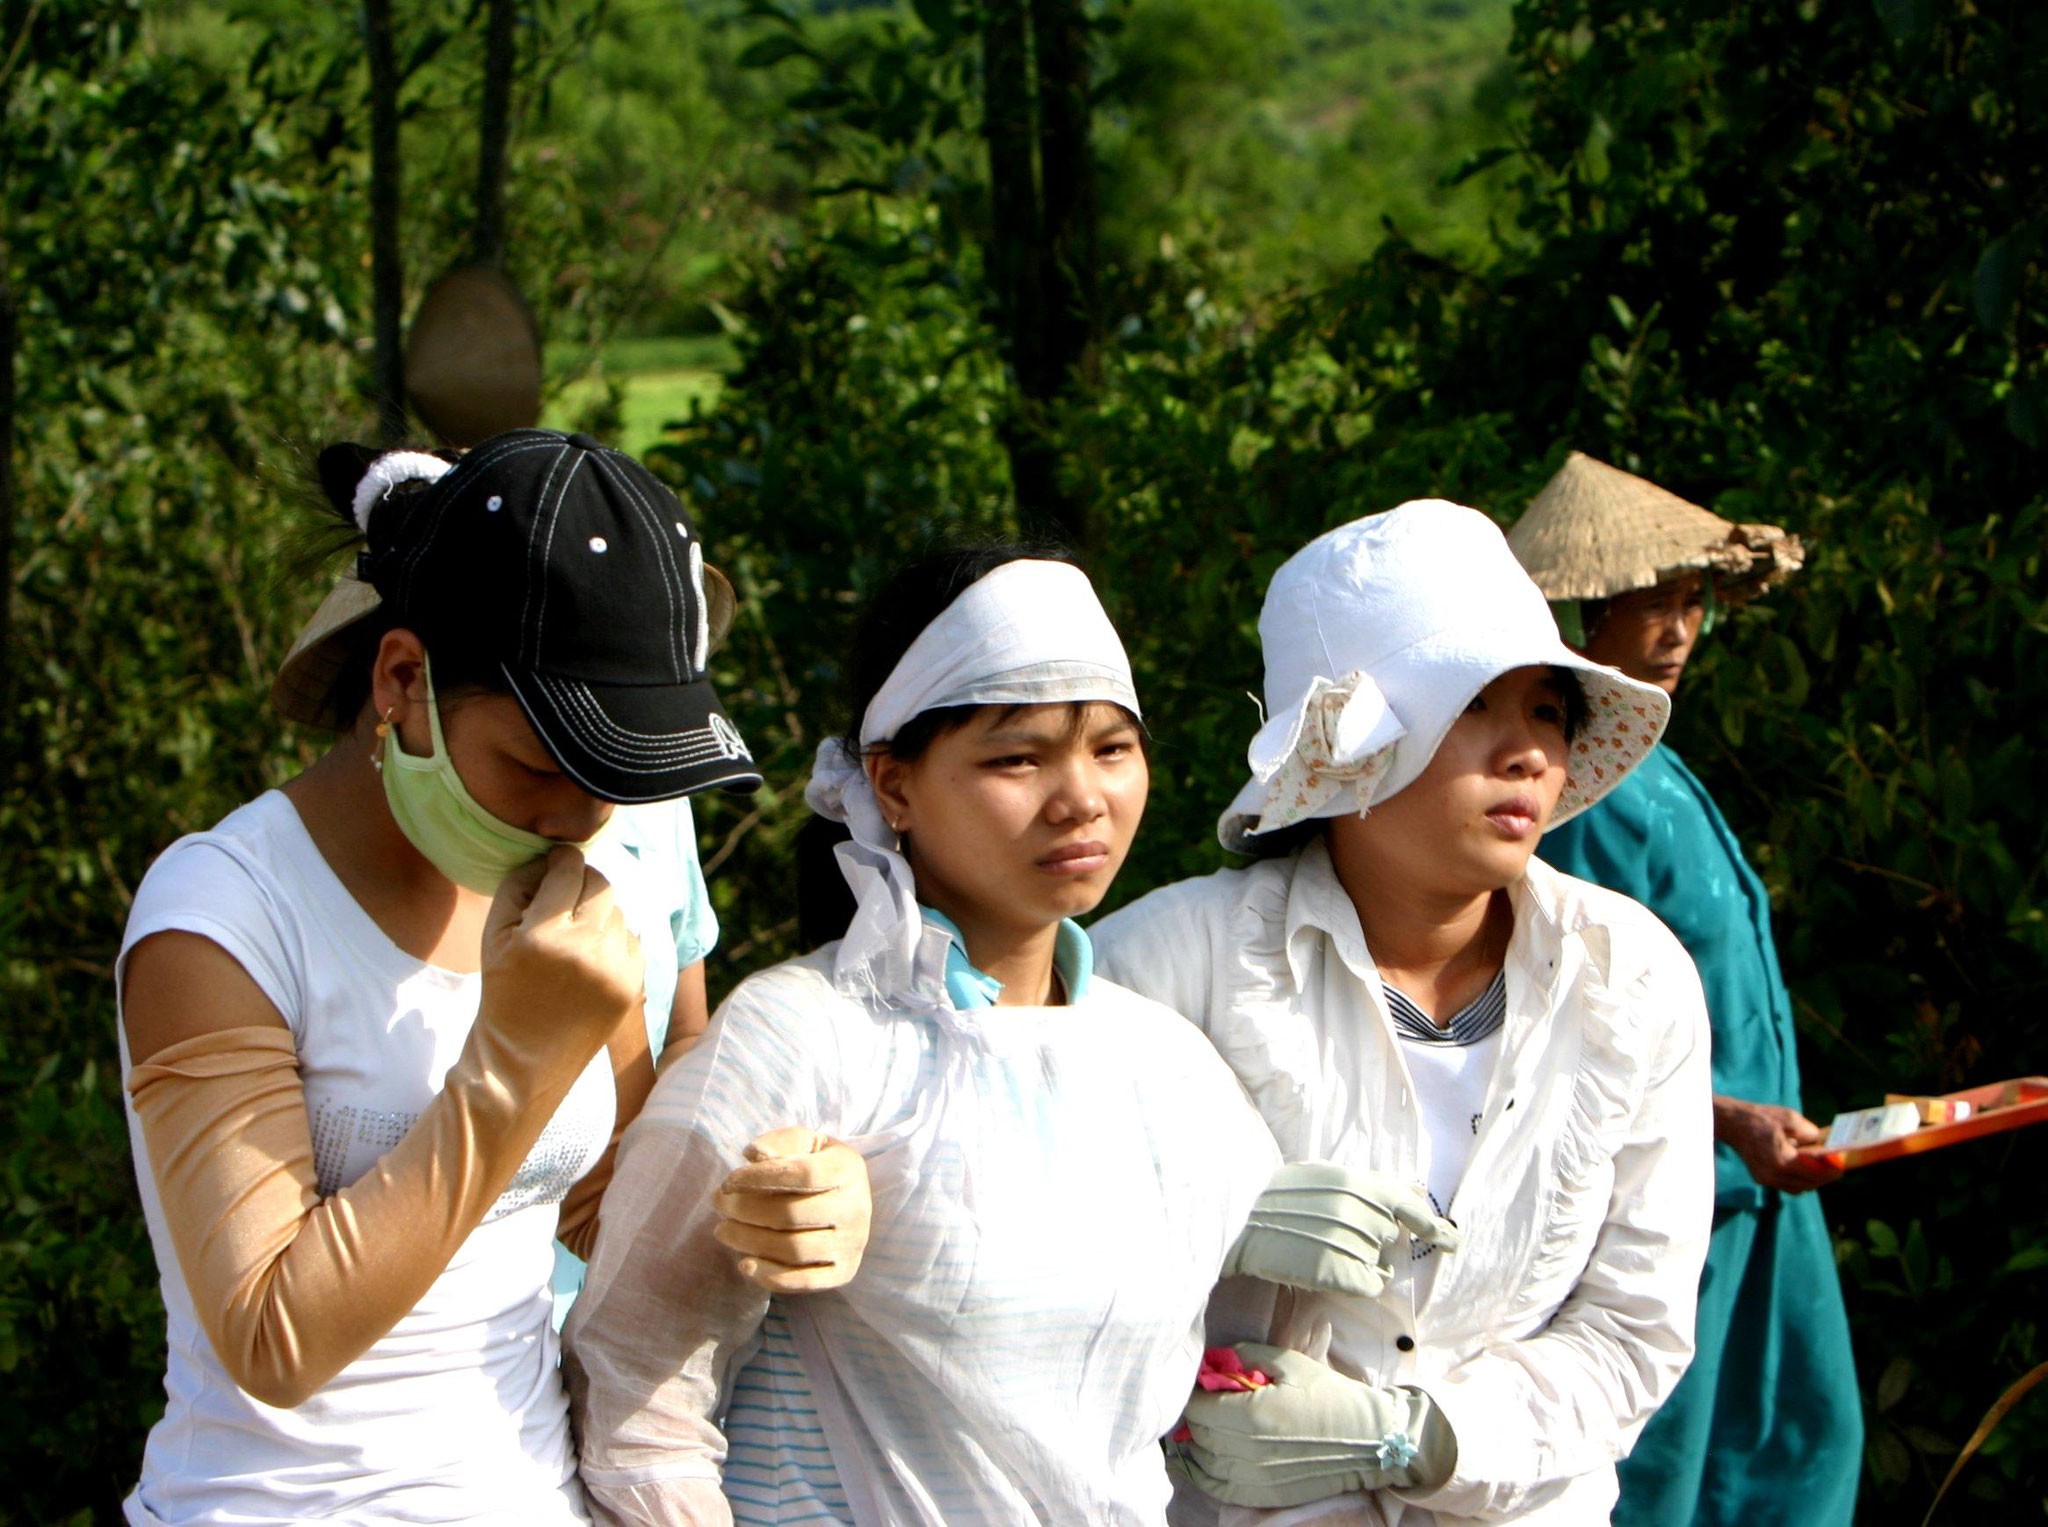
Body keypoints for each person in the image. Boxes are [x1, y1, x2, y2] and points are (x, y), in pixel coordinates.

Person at [115, 429, 868, 1527]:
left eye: (616, 780)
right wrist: (513, 1064)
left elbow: (613, 1214)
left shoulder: (583, 880)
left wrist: (783, 1208)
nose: (576, 819)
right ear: (402, 679)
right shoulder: (223, 914)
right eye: (535, 765)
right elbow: (271, 1337)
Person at [565, 547, 1290, 1525]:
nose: (1080, 796)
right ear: (892, 785)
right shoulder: (802, 1039)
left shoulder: (1163, 1065)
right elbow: (637, 1400)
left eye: (1111, 748)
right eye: (1017, 757)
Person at [1093, 501, 1715, 1525]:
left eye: (1549, 713)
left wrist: (1414, 1437)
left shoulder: (1630, 979)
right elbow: (1045, 1275)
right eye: (1474, 707)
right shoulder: (1161, 967)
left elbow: (1631, 1329)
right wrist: (1210, 1225)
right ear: (1350, 754)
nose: (1525, 754)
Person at [1511, 452, 1859, 1527]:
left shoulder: (1656, 760)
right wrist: (1724, 1120)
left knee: (1802, 1439)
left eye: (1689, 602)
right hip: (1664, 1185)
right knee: (1658, 1470)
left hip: (1761, 1185)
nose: (1674, 629)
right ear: (1583, 617)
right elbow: (1555, 1015)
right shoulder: (1561, 790)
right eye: (1647, 605)